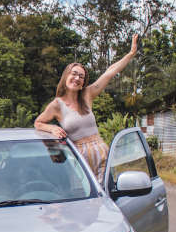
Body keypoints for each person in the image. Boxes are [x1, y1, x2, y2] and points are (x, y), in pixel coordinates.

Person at [34, 34, 139, 182]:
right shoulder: (56, 105)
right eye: (74, 74)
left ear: (83, 82)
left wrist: (131, 54)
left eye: (81, 77)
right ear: (66, 77)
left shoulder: (87, 95)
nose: (77, 78)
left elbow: (110, 72)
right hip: (79, 161)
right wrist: (52, 129)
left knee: (106, 196)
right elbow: (38, 123)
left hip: (102, 155)